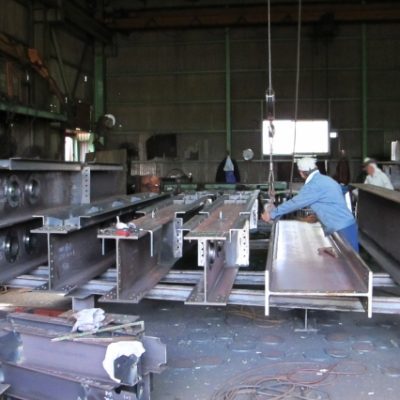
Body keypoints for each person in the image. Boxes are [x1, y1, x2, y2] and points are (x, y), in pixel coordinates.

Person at [262, 157, 359, 252]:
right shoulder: (327, 180)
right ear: (315, 168)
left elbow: (295, 203)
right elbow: (331, 201)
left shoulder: (313, 185)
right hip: (346, 225)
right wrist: (318, 215)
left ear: (301, 173)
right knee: (347, 257)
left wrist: (272, 214)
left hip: (341, 229)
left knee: (350, 259)